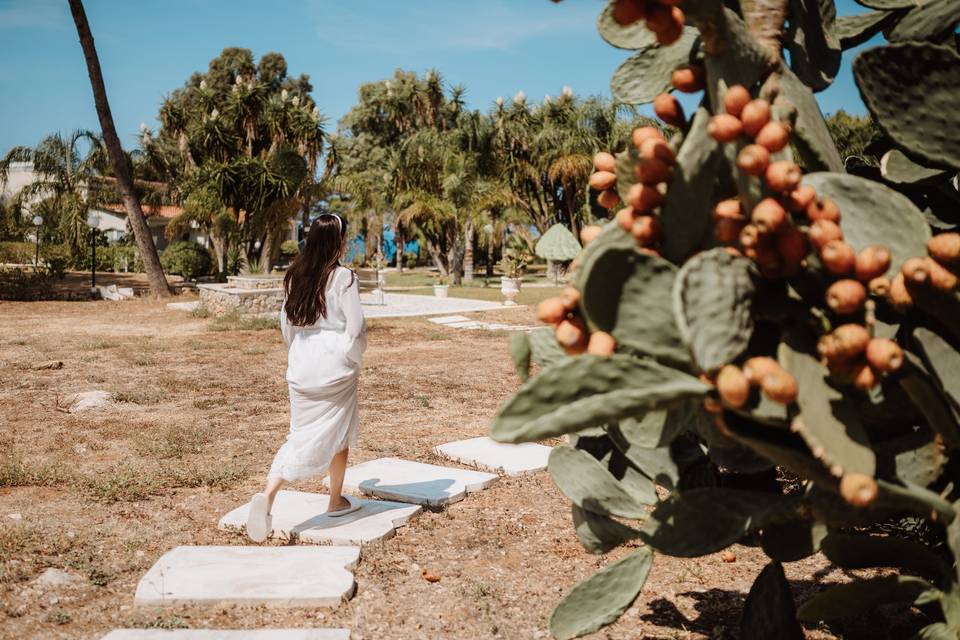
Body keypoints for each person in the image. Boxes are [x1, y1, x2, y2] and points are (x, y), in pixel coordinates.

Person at [246, 213, 367, 542]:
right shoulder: (344, 277)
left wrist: (298, 353)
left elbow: (287, 324)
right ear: (338, 242)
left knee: (298, 434)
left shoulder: (295, 274)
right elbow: (355, 327)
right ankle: (335, 500)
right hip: (335, 367)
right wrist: (350, 358)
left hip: (301, 366)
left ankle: (269, 494)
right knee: (339, 430)